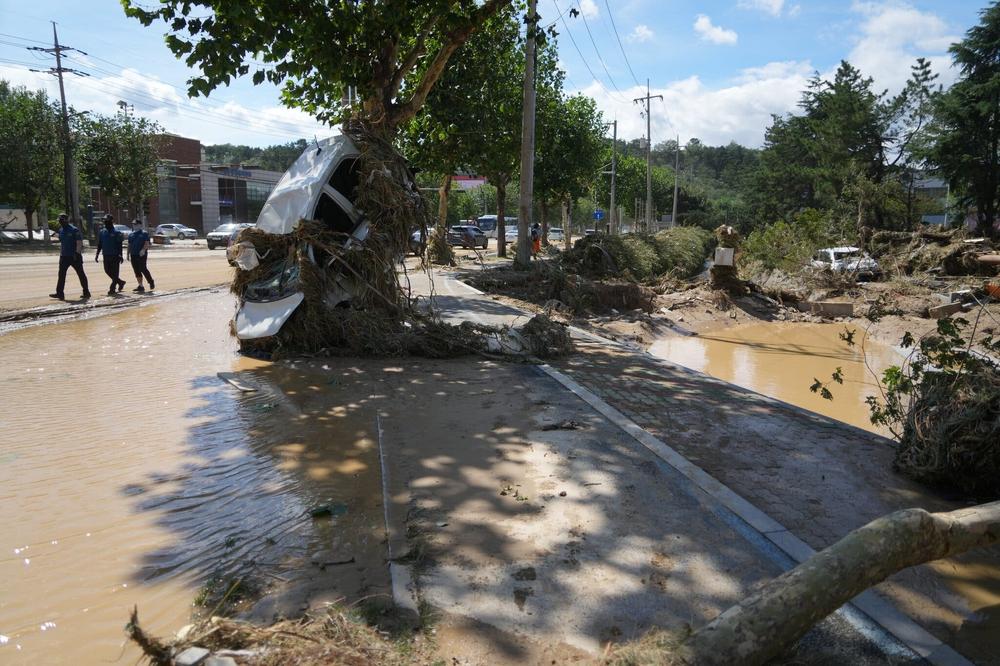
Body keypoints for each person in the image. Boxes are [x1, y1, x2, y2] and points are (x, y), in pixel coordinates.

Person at [49, 213, 90, 300]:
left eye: (62, 220)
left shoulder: (74, 230)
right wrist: (53, 236)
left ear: (67, 220)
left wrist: (77, 253)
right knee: (61, 275)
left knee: (81, 274)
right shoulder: (61, 230)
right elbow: (60, 238)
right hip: (64, 256)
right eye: (60, 220)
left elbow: (79, 243)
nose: (61, 222)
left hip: (74, 256)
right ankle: (60, 293)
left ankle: (86, 292)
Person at [95, 214, 126, 295]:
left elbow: (119, 245)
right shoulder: (102, 232)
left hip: (115, 255)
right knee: (107, 271)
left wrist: (121, 255)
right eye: (104, 221)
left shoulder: (117, 233)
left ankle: (112, 288)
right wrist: (97, 254)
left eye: (107, 221)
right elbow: (100, 244)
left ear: (111, 221)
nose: (105, 222)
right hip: (106, 255)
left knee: (115, 273)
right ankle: (120, 282)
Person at [127, 219, 155, 293]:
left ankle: (150, 281)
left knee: (143, 268)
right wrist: (127, 254)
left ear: (140, 225)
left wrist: (143, 250)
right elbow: (129, 245)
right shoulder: (131, 234)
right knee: (136, 270)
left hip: (142, 255)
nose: (134, 226)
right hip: (133, 254)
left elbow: (147, 243)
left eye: (136, 224)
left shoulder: (144, 233)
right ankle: (140, 286)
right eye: (133, 224)